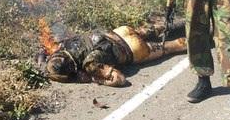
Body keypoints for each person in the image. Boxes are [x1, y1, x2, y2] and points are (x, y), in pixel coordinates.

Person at [44, 21, 186, 86]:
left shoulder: (89, 64)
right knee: (166, 26)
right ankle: (197, 21)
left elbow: (120, 79)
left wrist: (95, 78)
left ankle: (202, 40)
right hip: (121, 32)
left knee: (172, 47)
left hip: (133, 49)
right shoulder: (65, 44)